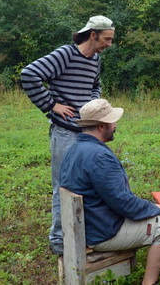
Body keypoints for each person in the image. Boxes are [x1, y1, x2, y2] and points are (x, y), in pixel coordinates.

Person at [20, 15, 115, 255]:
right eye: (107, 39)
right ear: (93, 35)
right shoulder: (65, 54)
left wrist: (92, 102)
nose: (109, 44)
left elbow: (96, 84)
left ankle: (80, 235)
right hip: (65, 132)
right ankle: (60, 242)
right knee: (63, 186)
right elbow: (29, 75)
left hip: (87, 131)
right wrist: (52, 105)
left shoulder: (95, 59)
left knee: (87, 184)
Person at [60, 99, 160, 285]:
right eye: (112, 121)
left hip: (88, 224)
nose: (115, 125)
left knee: (158, 213)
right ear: (101, 126)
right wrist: (154, 208)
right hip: (102, 231)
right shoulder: (100, 156)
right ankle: (149, 282)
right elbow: (124, 203)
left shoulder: (73, 149)